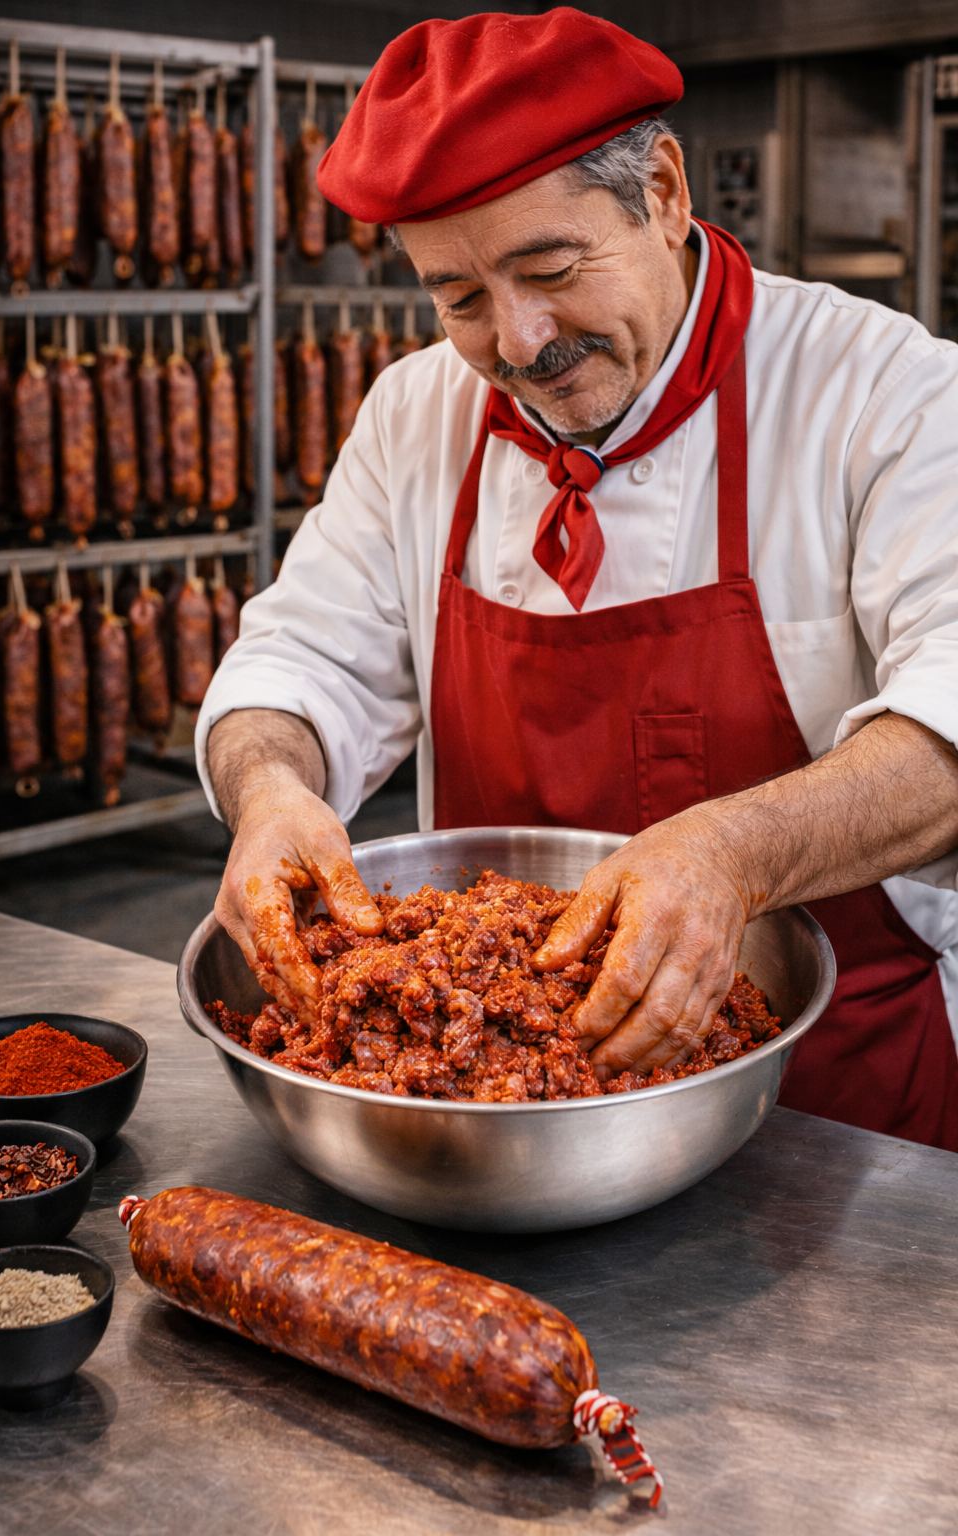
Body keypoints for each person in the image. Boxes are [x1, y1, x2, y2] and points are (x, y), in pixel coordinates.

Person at [198, 9, 958, 1149]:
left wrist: (732, 854)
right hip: (487, 1120)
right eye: (456, 297)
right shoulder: (416, 414)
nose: (516, 339)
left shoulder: (883, 392)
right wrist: (268, 792)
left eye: (549, 268)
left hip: (835, 1102)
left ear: (660, 191)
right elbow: (300, 658)